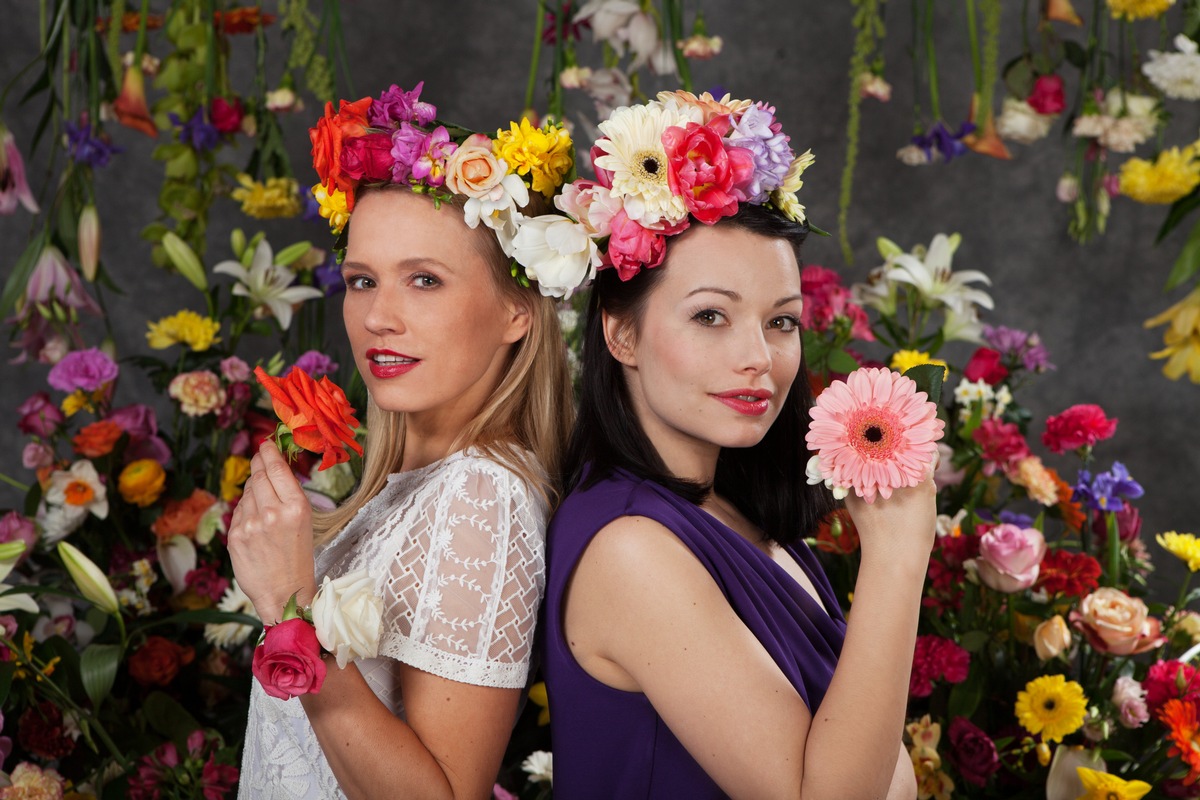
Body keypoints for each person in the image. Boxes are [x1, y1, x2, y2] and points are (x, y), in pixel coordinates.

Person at [541, 92, 936, 799]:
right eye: (711, 315)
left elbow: (885, 775)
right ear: (620, 333)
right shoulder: (630, 550)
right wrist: (899, 559)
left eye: (781, 322)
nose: (759, 357)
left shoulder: (748, 522)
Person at [228, 83, 580, 800]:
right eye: (362, 281)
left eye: (424, 280)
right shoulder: (422, 486)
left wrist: (292, 604)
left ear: (518, 311)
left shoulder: (483, 495)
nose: (378, 317)